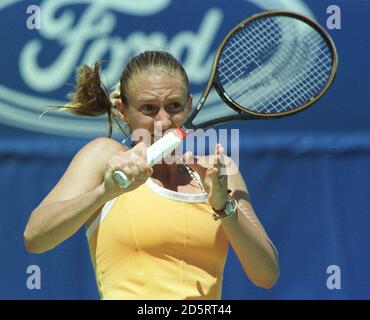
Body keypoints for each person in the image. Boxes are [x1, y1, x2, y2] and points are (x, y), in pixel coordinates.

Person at [23, 51, 279, 300]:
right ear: (123, 110)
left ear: (189, 105)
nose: (164, 121)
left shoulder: (219, 172)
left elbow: (266, 275)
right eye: (148, 108)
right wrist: (106, 192)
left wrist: (224, 207)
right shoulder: (104, 156)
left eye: (174, 106)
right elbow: (35, 237)